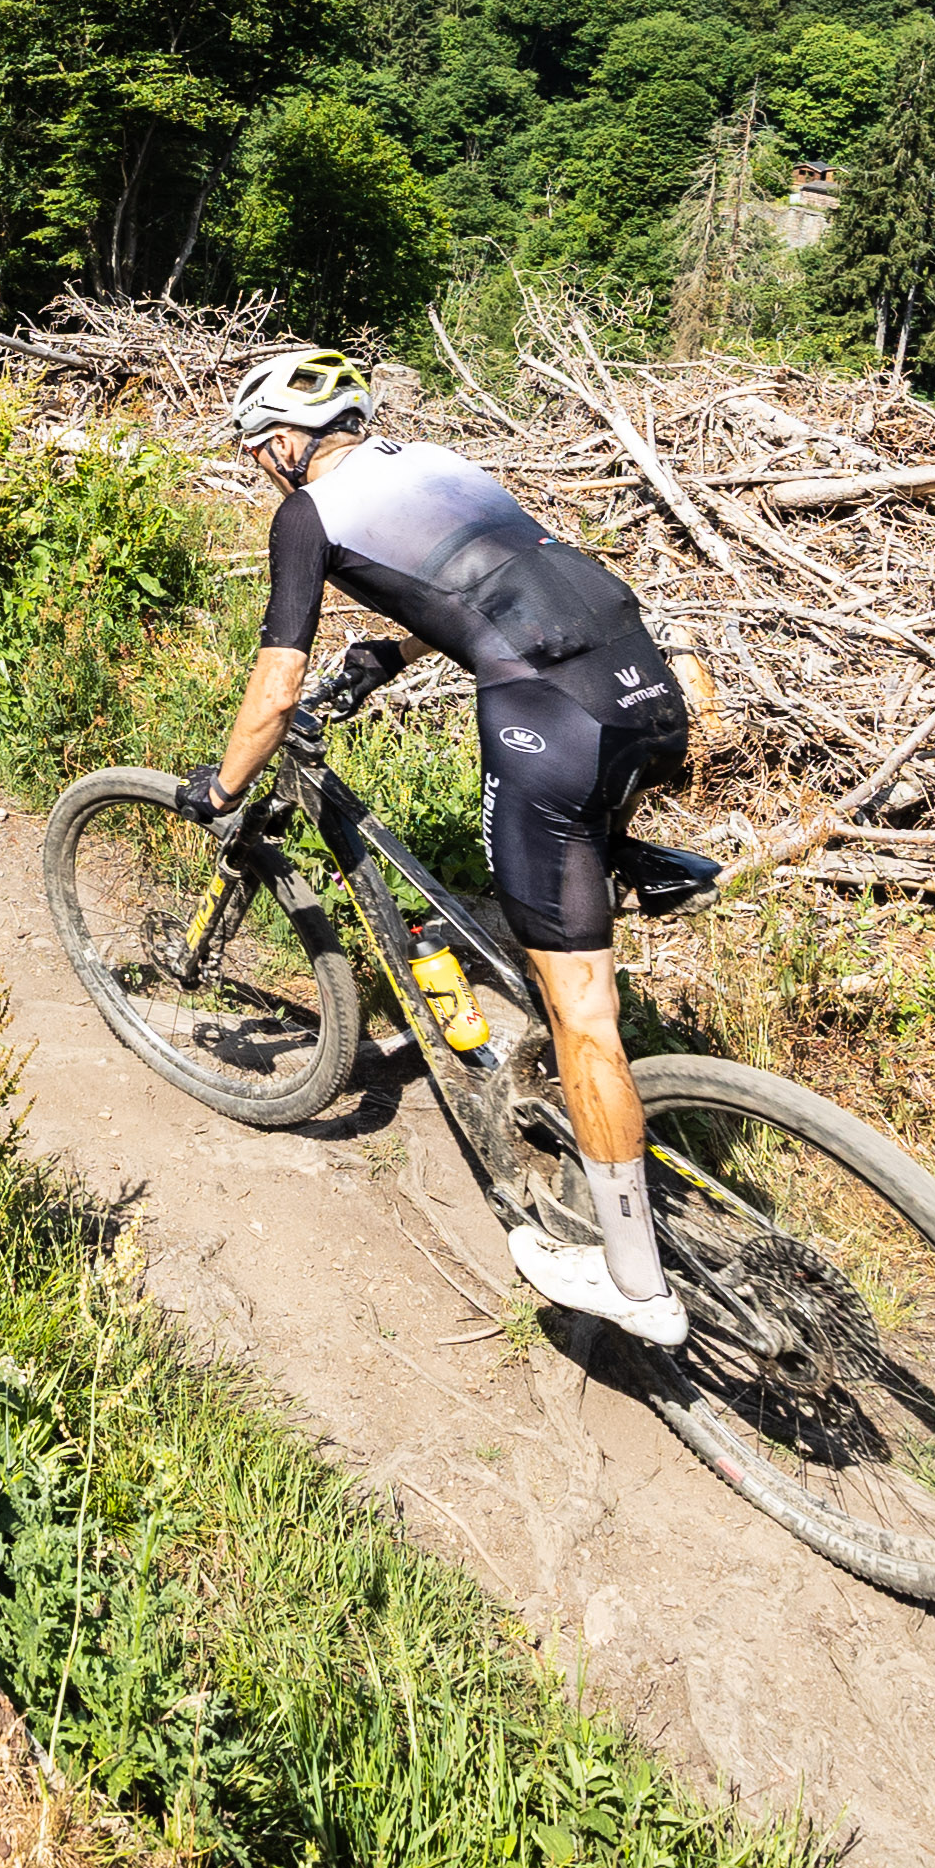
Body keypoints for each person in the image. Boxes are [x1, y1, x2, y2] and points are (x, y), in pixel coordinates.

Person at [203, 347, 709, 1343]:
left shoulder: (307, 513)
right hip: (646, 688)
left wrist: (219, 788)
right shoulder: (435, 461)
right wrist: (390, 650)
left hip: (550, 720)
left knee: (586, 1017)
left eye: (261, 448)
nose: (262, 464)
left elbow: (274, 691)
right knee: (553, 871)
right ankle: (614, 870)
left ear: (290, 442)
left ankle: (633, 1278)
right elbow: (502, 583)